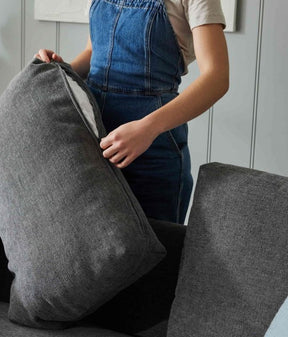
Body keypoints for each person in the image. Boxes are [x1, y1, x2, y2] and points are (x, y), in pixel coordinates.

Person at [36, 0, 229, 224]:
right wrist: (62, 69)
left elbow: (217, 78)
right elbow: (93, 52)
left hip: (153, 153)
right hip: (93, 142)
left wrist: (148, 128)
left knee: (157, 250)